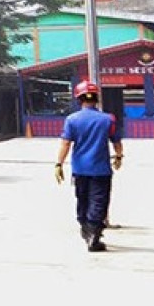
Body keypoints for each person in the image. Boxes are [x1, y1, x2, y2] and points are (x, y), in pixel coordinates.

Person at [55, 80, 123, 252]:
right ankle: (94, 234)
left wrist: (59, 164)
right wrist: (119, 157)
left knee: (82, 199)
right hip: (101, 170)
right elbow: (116, 141)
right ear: (96, 98)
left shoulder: (71, 120)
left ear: (79, 99)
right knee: (99, 201)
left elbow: (65, 144)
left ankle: (86, 229)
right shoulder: (108, 119)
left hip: (80, 169)